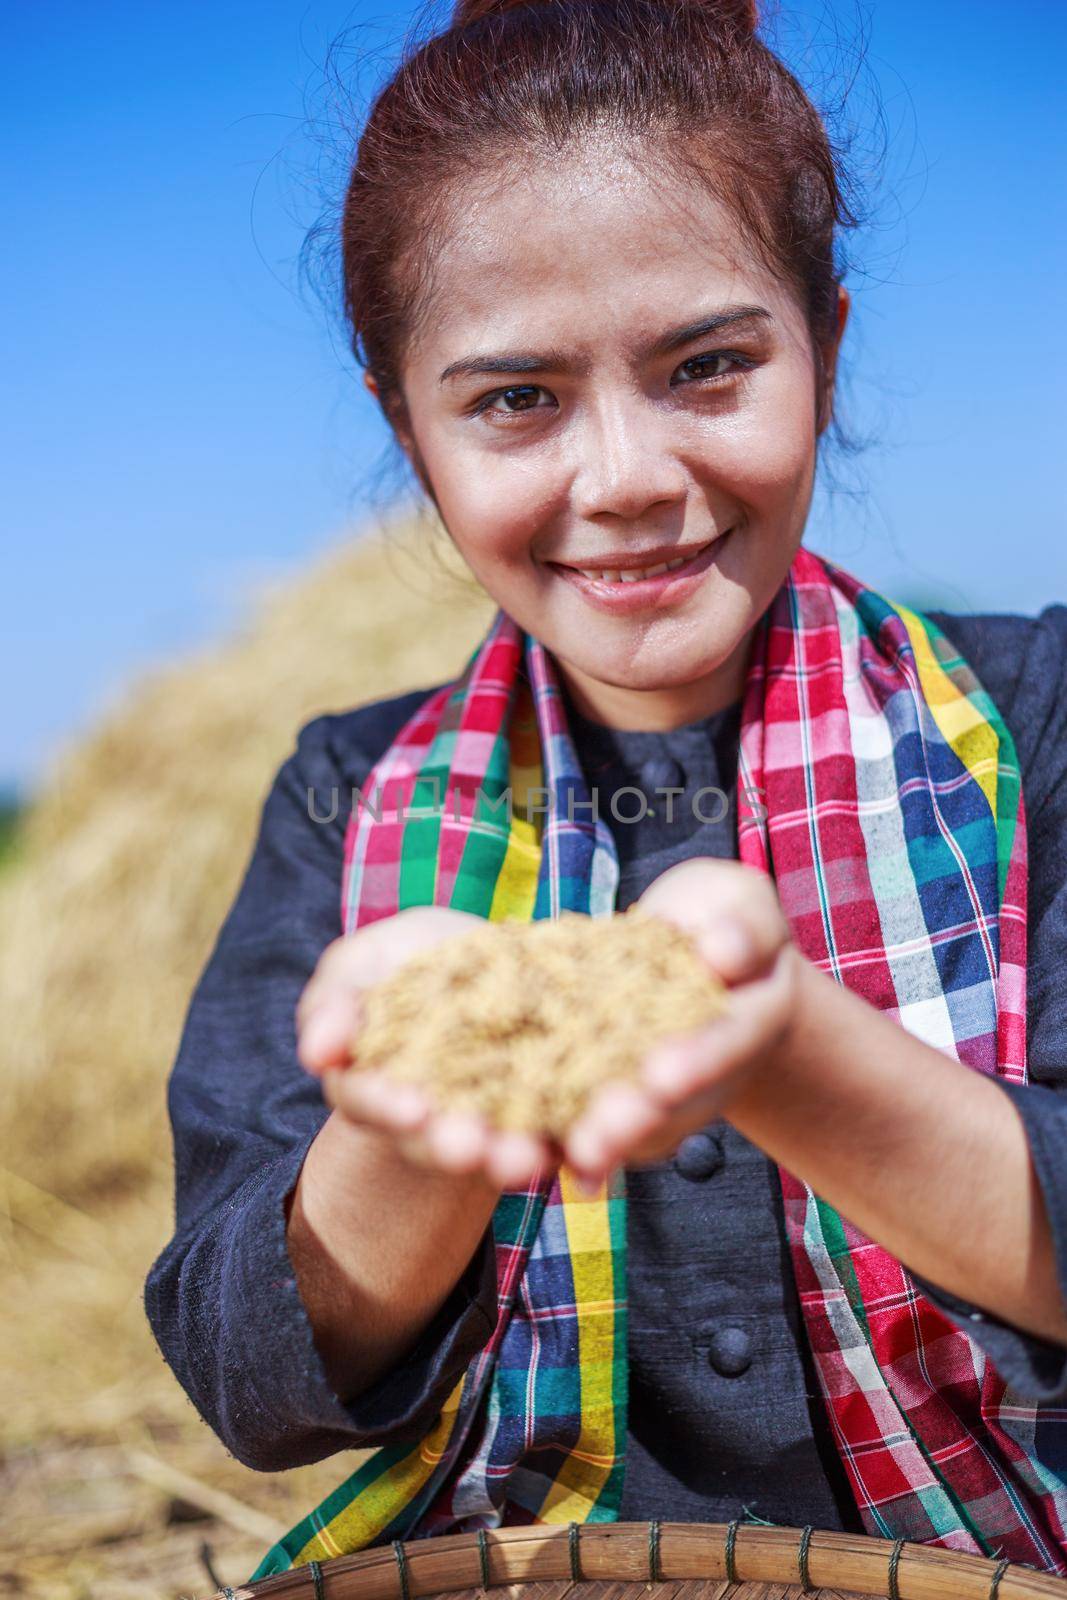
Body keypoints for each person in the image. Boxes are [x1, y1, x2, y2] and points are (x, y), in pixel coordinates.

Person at [143, 0, 1067, 1581]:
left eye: (708, 366)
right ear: (408, 428)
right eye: (517, 400)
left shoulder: (1029, 720)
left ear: (826, 350)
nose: (628, 479)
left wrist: (785, 1050)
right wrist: (413, 1120)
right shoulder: (348, 799)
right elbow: (252, 1382)